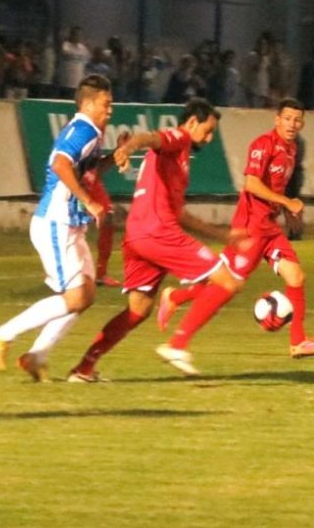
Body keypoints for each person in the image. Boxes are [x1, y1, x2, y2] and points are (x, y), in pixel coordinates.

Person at [67, 97, 247, 382]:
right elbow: (148, 137)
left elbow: (180, 214)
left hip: (138, 237)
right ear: (191, 123)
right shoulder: (179, 138)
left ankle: (84, 368)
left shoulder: (180, 160)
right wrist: (126, 148)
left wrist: (222, 235)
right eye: (207, 130)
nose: (209, 138)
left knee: (138, 310)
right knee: (230, 281)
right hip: (158, 233)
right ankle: (177, 344)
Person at [158, 99, 314, 362]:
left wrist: (287, 211)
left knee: (295, 275)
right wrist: (287, 202)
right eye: (287, 118)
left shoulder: (291, 149)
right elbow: (251, 183)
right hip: (250, 228)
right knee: (227, 284)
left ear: (302, 123)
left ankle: (298, 342)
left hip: (270, 228)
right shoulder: (263, 145)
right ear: (277, 119)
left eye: (297, 120)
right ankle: (177, 317)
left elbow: (277, 187)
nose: (292, 124)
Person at [0, 74, 114, 382]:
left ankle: (36, 357)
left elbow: (87, 172)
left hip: (69, 224)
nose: (111, 111)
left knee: (86, 294)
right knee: (75, 297)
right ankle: (2, 334)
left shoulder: (91, 132)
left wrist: (114, 158)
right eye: (106, 105)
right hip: (56, 222)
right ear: (88, 103)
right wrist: (89, 203)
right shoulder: (82, 129)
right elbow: (59, 164)